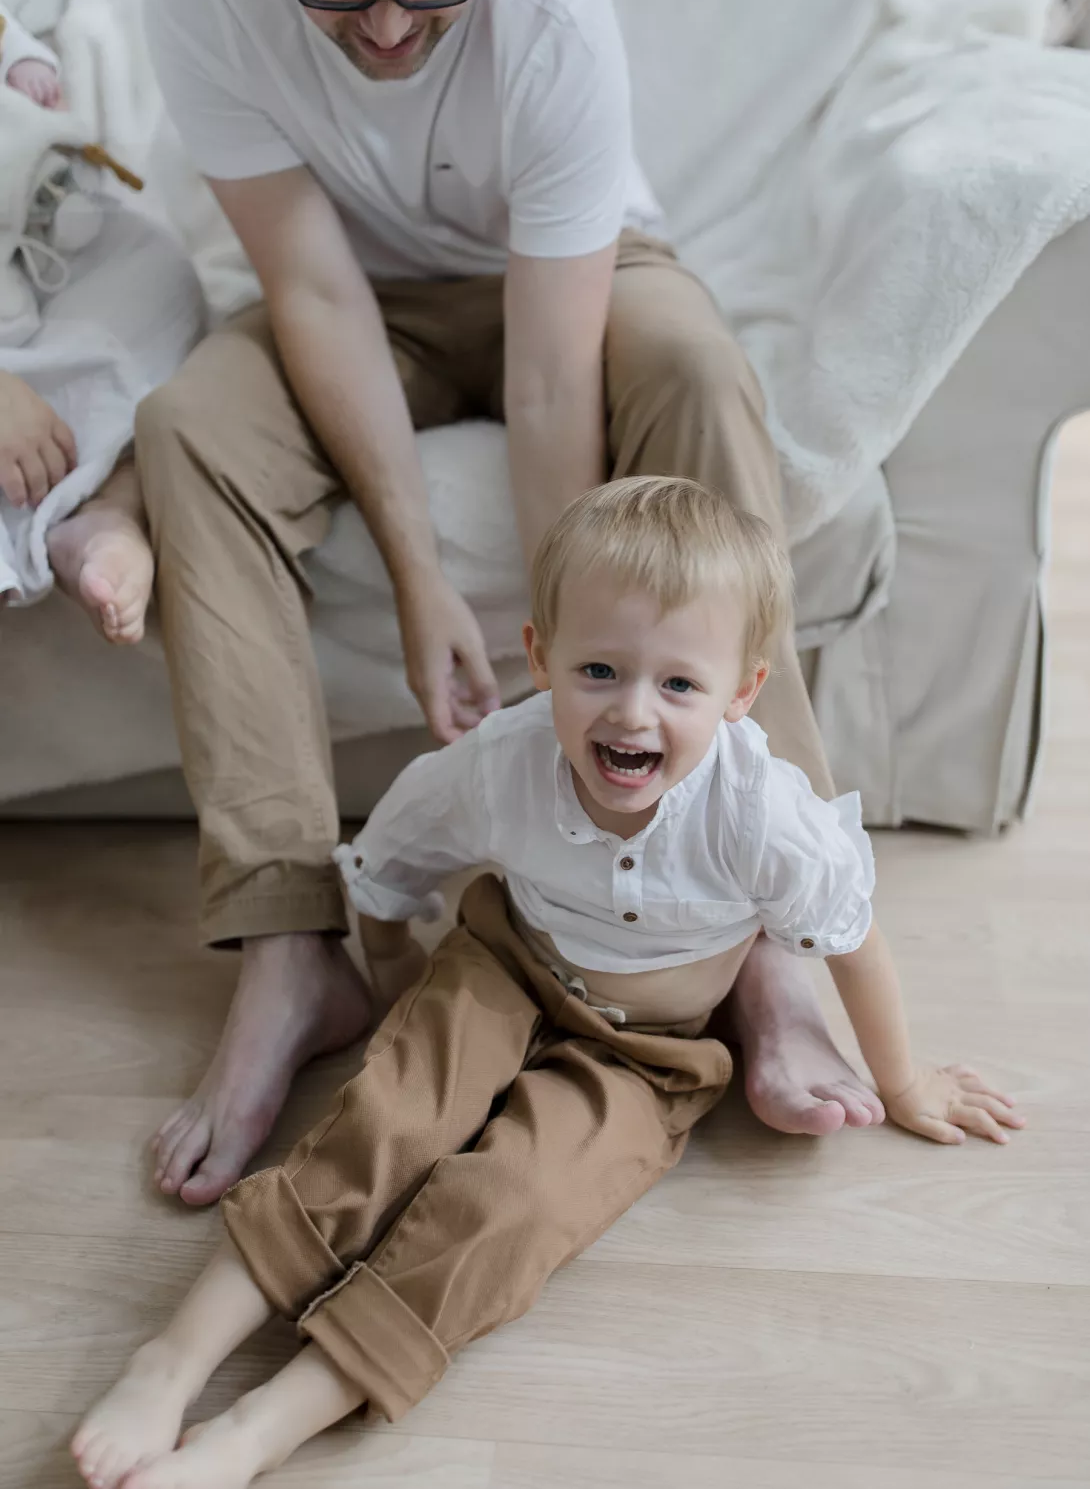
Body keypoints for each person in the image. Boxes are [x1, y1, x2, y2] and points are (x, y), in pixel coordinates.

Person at [138, 0, 891, 1207]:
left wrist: (570, 672)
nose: (384, 28)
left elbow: (550, 378)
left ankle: (772, 941)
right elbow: (311, 288)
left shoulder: (544, 1)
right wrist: (422, 576)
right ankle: (289, 946)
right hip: (361, 296)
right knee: (189, 422)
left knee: (703, 372)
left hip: (577, 277)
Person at [71, 478, 1024, 1489]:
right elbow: (395, 855)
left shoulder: (760, 810)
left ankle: (261, 1429)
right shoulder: (505, 762)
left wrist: (907, 1080)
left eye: (678, 686)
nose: (630, 712)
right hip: (505, 971)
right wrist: (396, 975)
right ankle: (169, 1362)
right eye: (599, 670)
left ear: (741, 695)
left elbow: (852, 937)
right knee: (384, 1124)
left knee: (512, 1205)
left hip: (649, 1054)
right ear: (540, 659)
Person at [0, 3, 201, 637]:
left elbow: (9, 35)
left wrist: (25, 62)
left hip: (41, 252)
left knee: (156, 276)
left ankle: (93, 506)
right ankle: (63, 520)